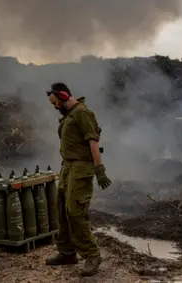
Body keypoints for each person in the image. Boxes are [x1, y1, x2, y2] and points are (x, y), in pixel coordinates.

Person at [44, 82, 112, 277]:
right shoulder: (69, 116)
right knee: (62, 209)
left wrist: (99, 170)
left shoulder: (83, 113)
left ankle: (92, 255)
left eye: (56, 102)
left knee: (76, 211)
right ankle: (66, 253)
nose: (55, 107)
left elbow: (93, 141)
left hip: (81, 167)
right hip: (68, 167)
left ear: (64, 96)